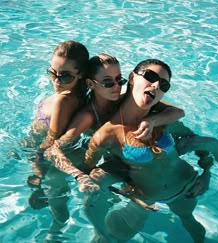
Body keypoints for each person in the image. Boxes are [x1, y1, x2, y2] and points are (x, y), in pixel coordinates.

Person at [83, 58, 218, 242]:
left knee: (193, 227)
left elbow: (198, 143)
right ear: (132, 78)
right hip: (147, 197)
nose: (156, 85)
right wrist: (120, 191)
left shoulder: (162, 119)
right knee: (114, 235)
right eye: (150, 76)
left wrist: (206, 172)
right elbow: (89, 172)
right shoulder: (107, 134)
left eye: (164, 85)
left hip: (188, 186)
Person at [43, 53, 185, 235]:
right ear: (91, 84)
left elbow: (178, 111)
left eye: (120, 80)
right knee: (63, 204)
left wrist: (153, 120)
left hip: (108, 147)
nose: (117, 87)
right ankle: (54, 232)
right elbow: (52, 150)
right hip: (78, 150)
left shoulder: (126, 97)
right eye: (109, 83)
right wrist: (79, 176)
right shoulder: (87, 116)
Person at [21, 40, 89, 190]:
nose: (57, 81)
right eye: (53, 73)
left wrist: (38, 172)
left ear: (81, 74)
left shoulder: (62, 101)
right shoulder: (78, 96)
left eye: (65, 76)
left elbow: (50, 142)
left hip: (43, 158)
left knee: (56, 205)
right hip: (52, 154)